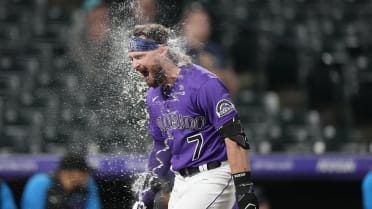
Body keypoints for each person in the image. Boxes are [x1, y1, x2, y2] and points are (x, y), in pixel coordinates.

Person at [128, 23, 258, 209]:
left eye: (139, 56)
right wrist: (147, 193)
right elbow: (161, 147)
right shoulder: (153, 95)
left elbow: (234, 137)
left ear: (162, 51)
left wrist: (245, 189)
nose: (135, 65)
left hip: (214, 175)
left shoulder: (204, 84)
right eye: (131, 59)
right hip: (181, 182)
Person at [181, 3, 240, 98]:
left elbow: (233, 85)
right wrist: (212, 71)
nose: (204, 26)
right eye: (199, 22)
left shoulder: (216, 50)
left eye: (206, 22)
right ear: (186, 24)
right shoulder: (179, 49)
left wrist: (209, 70)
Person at [21, 153, 101, 209]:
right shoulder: (40, 182)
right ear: (70, 173)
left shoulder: (89, 183)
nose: (88, 176)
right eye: (84, 172)